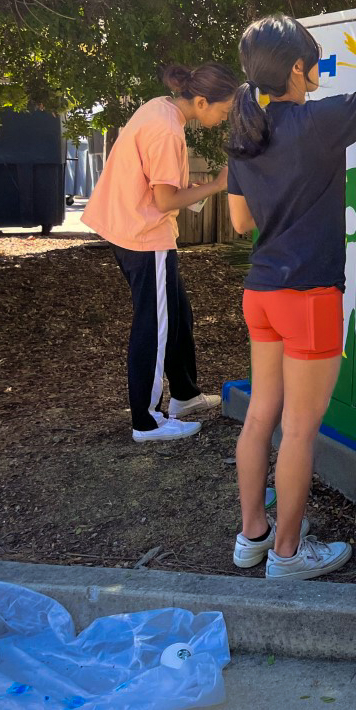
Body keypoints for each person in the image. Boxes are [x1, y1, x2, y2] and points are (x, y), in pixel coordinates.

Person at [226, 9, 356, 580]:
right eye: (313, 67)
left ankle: (253, 535)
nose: (318, 75)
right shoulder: (319, 123)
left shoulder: (245, 131)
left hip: (261, 292)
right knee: (301, 430)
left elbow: (239, 221)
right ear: (297, 70)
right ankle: (287, 555)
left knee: (261, 416)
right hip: (308, 297)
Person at [82, 64, 234, 442]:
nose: (224, 117)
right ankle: (146, 421)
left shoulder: (160, 108)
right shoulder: (168, 129)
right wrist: (216, 185)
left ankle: (184, 395)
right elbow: (166, 199)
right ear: (202, 101)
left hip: (128, 225)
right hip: (144, 236)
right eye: (224, 110)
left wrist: (193, 187)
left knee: (178, 313)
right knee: (154, 324)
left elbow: (158, 182)